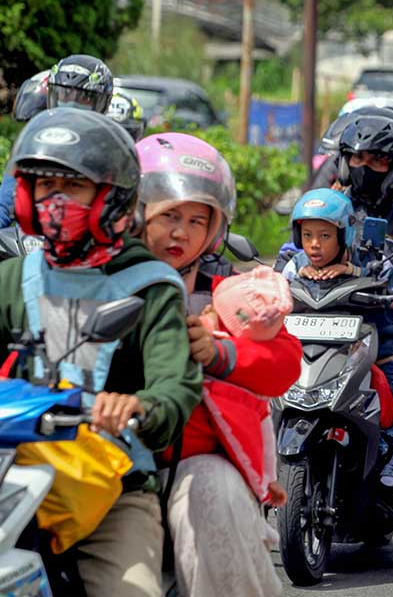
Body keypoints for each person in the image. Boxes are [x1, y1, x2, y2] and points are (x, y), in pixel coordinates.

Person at [0, 108, 202, 597]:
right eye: (43, 185)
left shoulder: (152, 286)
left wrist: (137, 406)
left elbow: (174, 388)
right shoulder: (10, 279)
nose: (55, 201)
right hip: (5, 477)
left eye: (71, 187)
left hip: (109, 489)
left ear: (113, 196)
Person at [136, 132, 301, 597]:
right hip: (107, 447)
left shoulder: (233, 290)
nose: (181, 232)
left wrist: (221, 352)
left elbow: (285, 363)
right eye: (169, 214)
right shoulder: (102, 274)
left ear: (215, 227)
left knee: (216, 495)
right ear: (136, 210)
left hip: (200, 457)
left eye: (196, 219)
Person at [282, 187, 393, 526]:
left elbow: (391, 306)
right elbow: (273, 293)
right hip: (307, 362)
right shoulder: (293, 266)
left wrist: (376, 282)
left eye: (325, 235)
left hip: (374, 364)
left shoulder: (375, 264)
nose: (315, 244)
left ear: (344, 234)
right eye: (308, 235)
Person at [0, 54, 117, 260]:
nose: (70, 106)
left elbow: (121, 207)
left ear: (101, 103)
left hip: (91, 254)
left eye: (83, 99)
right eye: (63, 96)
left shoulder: (110, 149)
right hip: (35, 248)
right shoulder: (36, 145)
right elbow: (8, 194)